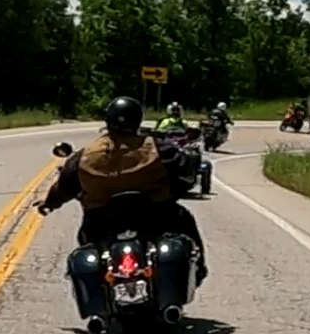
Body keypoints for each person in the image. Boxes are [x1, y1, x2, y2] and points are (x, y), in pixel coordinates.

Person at [38, 96, 206, 284]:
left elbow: (65, 186)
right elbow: (183, 168)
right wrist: (177, 188)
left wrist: (49, 204)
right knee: (184, 220)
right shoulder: (157, 147)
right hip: (154, 216)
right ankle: (199, 270)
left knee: (87, 242)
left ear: (108, 120)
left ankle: (98, 283)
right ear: (138, 120)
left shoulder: (86, 154)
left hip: (101, 220)